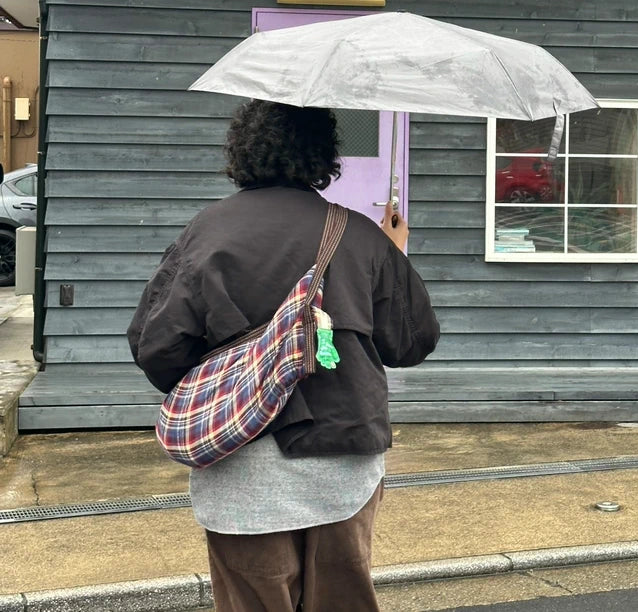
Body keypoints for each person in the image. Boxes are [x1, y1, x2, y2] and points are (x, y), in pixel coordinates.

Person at [127, 99, 440, 612]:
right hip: (343, 456)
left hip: (241, 458)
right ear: (323, 155)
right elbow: (411, 341)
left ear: (242, 152)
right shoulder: (358, 234)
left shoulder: (206, 233)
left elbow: (157, 348)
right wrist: (394, 252)